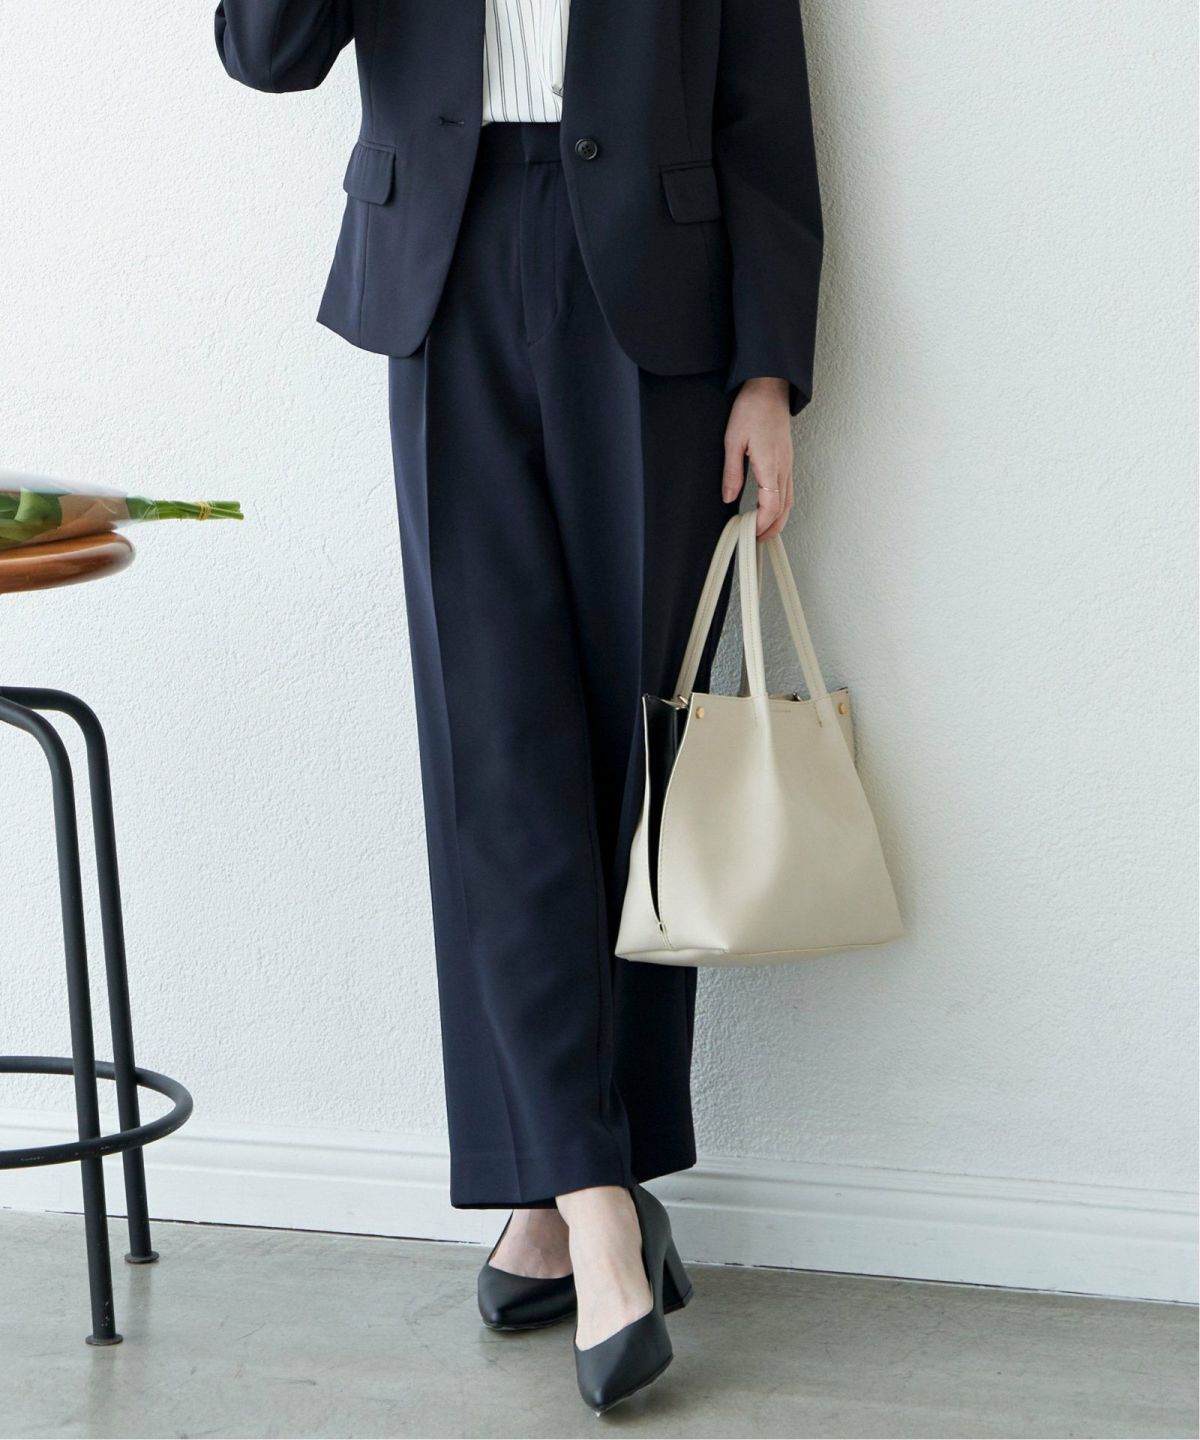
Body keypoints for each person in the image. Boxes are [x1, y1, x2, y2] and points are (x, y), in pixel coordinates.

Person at [214, 0, 822, 1413]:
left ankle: (553, 1195)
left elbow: (764, 106)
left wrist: (770, 368)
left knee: (637, 762)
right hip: (444, 262)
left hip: (657, 292)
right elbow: (265, 52)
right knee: (494, 759)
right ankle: (598, 1208)